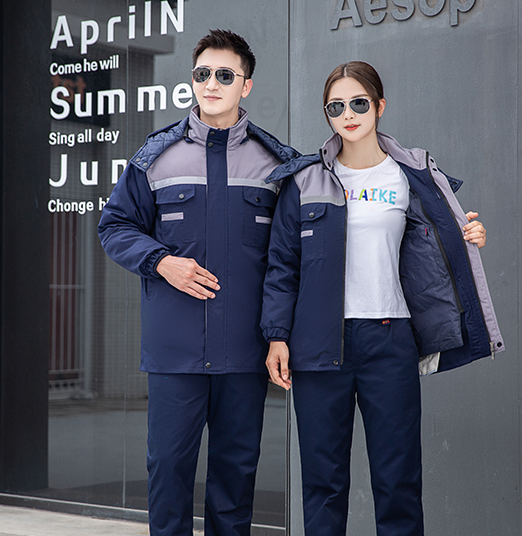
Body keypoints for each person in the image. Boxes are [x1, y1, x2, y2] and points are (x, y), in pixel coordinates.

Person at [260, 61, 504, 536]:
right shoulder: (304, 180)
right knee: (323, 484)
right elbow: (281, 266)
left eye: (358, 103)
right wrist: (276, 336)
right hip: (318, 346)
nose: (347, 114)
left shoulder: (408, 175)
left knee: (398, 482)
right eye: (335, 107)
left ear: (379, 106)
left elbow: (440, 239)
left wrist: (469, 235)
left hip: (390, 342)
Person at [98, 30, 299, 536]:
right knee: (168, 471)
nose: (211, 84)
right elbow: (114, 227)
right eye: (202, 74)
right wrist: (161, 261)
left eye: (224, 75)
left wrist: (278, 334)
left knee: (235, 477)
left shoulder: (276, 165)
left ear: (245, 86)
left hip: (244, 352)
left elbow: (290, 257)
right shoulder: (155, 158)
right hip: (175, 352)